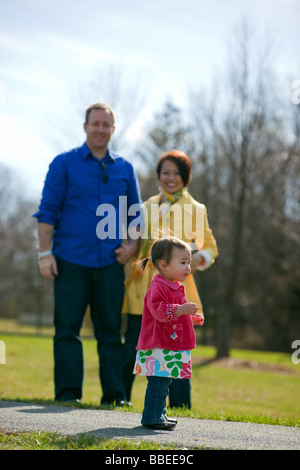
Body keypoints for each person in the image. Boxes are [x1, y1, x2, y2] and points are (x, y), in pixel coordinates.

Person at [33, 103, 142, 405]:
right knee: (67, 330)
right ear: (85, 127)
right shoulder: (63, 163)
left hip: (109, 264)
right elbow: (47, 212)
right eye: (95, 123)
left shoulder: (125, 168)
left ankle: (115, 396)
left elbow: (136, 216)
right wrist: (45, 253)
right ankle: (68, 395)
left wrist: (132, 246)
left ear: (113, 130)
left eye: (106, 125)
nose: (100, 129)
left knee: (110, 333)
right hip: (69, 262)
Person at [122, 150, 218, 408]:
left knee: (177, 344)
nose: (170, 178)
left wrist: (197, 260)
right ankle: (121, 398)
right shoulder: (147, 206)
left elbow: (209, 246)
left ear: (185, 176)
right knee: (135, 341)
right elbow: (135, 240)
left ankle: (179, 405)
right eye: (165, 172)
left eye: (177, 173)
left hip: (178, 289)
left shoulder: (196, 209)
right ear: (159, 176)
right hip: (144, 286)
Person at [134, 236, 204, 430]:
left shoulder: (174, 286)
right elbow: (159, 311)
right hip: (158, 345)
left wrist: (189, 318)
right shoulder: (158, 287)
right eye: (183, 263)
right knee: (158, 382)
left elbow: (174, 315)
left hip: (168, 344)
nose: (188, 267)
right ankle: (151, 417)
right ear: (163, 265)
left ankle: (159, 414)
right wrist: (181, 311)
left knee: (165, 381)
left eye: (189, 262)